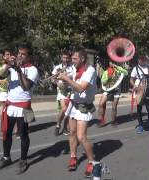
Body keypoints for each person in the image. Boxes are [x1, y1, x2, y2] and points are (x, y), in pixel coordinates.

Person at [0, 43, 39, 174]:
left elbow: (26, 87)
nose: (20, 56)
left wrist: (19, 71)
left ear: (29, 56)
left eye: (23, 54)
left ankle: (23, 159)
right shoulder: (12, 68)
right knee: (6, 133)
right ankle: (6, 157)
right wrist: (8, 65)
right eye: (19, 53)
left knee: (23, 134)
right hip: (10, 105)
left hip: (24, 106)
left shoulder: (33, 70)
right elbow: (0, 75)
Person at [56, 48, 97, 178]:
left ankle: (92, 162)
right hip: (74, 104)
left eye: (74, 59)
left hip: (84, 106)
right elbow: (69, 86)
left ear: (82, 59)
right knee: (72, 132)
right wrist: (60, 80)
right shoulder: (74, 69)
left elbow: (80, 88)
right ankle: (73, 157)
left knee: (81, 137)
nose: (72, 61)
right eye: (72, 58)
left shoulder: (90, 70)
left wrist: (66, 79)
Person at [0, 49, 19, 139]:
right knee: (6, 112)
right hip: (4, 91)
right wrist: (1, 81)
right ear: (4, 56)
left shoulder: (16, 65)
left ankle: (17, 131)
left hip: (15, 91)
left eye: (10, 54)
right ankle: (5, 132)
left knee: (16, 111)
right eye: (7, 54)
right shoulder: (0, 65)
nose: (9, 56)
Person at [130, 56, 149, 134]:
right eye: (140, 59)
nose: (141, 61)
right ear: (138, 60)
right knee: (139, 109)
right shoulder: (135, 68)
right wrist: (134, 85)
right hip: (138, 90)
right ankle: (141, 125)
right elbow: (131, 79)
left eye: (142, 59)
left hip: (148, 89)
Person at [98, 60, 128, 127]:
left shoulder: (119, 71)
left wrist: (117, 67)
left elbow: (126, 73)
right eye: (111, 62)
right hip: (107, 89)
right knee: (101, 104)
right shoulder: (106, 72)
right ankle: (101, 120)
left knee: (114, 107)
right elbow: (103, 81)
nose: (112, 64)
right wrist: (108, 79)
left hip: (116, 90)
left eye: (113, 62)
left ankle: (113, 121)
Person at [52, 50, 74, 136]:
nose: (65, 59)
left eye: (67, 58)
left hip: (71, 90)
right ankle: (58, 125)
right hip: (61, 91)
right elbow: (53, 79)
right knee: (64, 108)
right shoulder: (57, 67)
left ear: (69, 58)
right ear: (61, 58)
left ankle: (65, 127)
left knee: (69, 110)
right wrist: (57, 83)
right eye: (64, 57)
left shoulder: (73, 68)